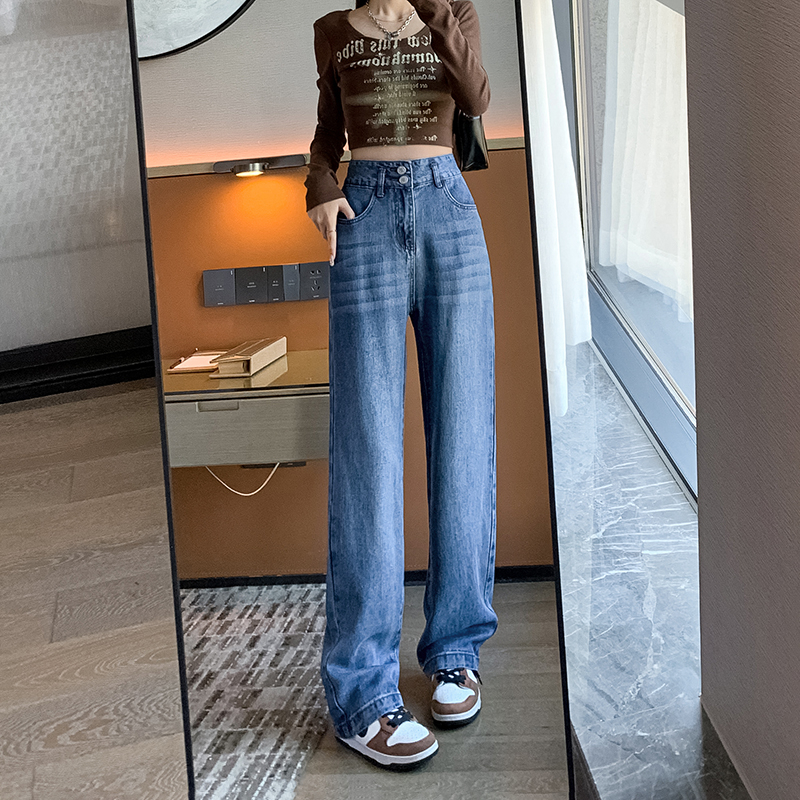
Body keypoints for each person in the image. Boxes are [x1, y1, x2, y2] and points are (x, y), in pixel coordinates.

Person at [305, 0, 497, 771]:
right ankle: (362, 694)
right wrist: (319, 183)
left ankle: (455, 651)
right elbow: (327, 135)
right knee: (368, 452)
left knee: (465, 438)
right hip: (367, 218)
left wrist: (434, 12)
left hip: (450, 211)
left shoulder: (453, 12)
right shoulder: (331, 32)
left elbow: (476, 97)